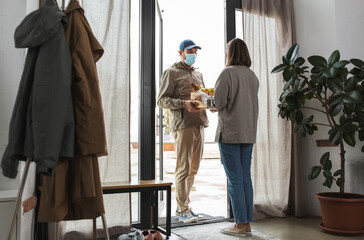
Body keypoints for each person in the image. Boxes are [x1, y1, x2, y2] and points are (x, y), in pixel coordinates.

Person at [196, 38, 259, 236]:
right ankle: (246, 223)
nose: (225, 54)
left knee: (235, 180)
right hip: (248, 133)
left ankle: (240, 225)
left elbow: (218, 103)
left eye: (226, 51)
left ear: (230, 53)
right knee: (245, 178)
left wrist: (201, 96)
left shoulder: (227, 73)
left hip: (230, 133)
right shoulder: (252, 75)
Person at [157, 39, 209, 223]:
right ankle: (181, 210)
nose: (193, 54)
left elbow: (201, 97)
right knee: (183, 169)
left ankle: (186, 206)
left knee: (193, 169)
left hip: (200, 123)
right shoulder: (171, 72)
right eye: (190, 51)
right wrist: (183, 104)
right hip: (183, 126)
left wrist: (210, 103)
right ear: (181, 52)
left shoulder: (198, 74)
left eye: (195, 51)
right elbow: (161, 100)